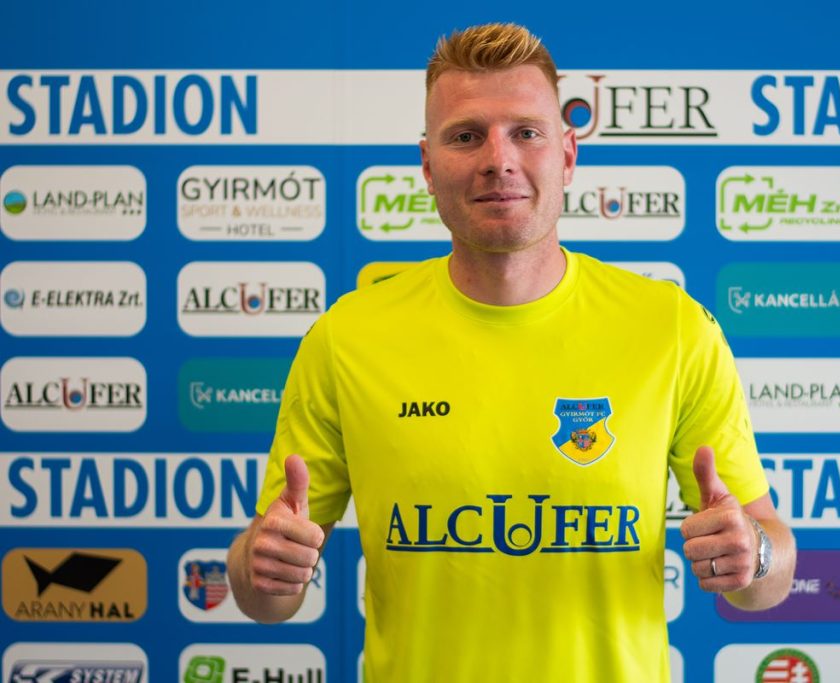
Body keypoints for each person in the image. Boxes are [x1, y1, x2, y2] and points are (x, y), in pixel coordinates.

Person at [227, 22, 795, 682]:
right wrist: (259, 563)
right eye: (466, 136)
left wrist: (751, 553)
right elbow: (266, 598)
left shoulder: (672, 327)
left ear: (568, 154)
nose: (498, 159)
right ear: (428, 165)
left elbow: (769, 580)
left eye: (526, 132)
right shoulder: (347, 336)